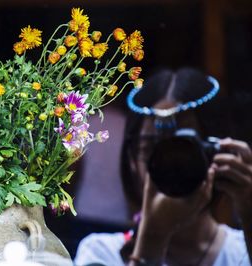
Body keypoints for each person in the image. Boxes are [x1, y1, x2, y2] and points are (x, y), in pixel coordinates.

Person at [74, 67, 252, 266]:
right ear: (131, 160)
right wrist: (153, 239)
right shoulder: (100, 253)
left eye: (184, 148)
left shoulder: (243, 253)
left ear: (216, 153)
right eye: (152, 148)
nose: (171, 162)